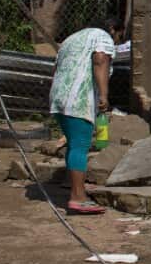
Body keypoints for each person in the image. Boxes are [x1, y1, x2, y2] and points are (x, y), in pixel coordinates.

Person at [48, 17, 124, 215]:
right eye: (118, 35)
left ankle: (75, 185)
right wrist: (104, 95)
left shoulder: (71, 39)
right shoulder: (102, 37)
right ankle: (78, 197)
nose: (116, 40)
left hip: (59, 97)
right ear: (112, 29)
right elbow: (100, 59)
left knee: (74, 144)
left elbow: (55, 69)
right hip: (78, 99)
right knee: (80, 145)